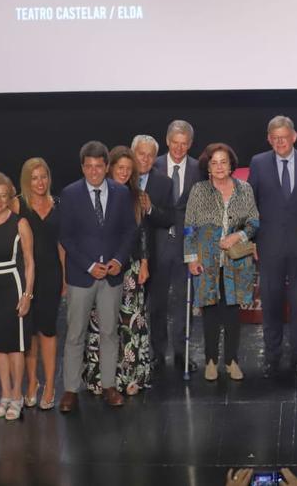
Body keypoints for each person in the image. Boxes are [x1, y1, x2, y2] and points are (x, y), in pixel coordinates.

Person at [58, 141, 137, 411]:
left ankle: (109, 386)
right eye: (88, 167)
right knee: (75, 334)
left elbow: (129, 231)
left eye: (98, 166)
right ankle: (70, 390)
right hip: (82, 275)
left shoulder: (121, 193)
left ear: (106, 166)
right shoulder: (69, 194)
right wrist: (90, 265)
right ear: (82, 167)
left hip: (112, 275)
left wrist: (117, 260)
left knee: (109, 332)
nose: (93, 171)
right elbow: (66, 236)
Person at [247, 115, 297, 378]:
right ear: (269, 139)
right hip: (269, 246)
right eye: (275, 138)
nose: (280, 142)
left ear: (294, 136)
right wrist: (251, 240)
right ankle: (272, 356)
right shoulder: (258, 163)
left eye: (284, 137)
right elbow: (250, 205)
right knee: (272, 303)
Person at [185, 143, 260, 381]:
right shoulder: (199, 190)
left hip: (236, 261)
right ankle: (210, 361)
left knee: (232, 313)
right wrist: (191, 258)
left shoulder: (244, 189)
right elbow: (189, 227)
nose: (219, 167)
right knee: (210, 313)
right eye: (214, 162)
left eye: (223, 162)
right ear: (208, 166)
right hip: (206, 262)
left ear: (231, 165)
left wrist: (238, 235)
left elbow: (255, 222)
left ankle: (231, 361)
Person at [84, 147, 154, 394]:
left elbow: (142, 232)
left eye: (128, 169)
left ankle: (130, 377)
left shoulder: (137, 196)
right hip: (102, 268)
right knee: (103, 324)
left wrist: (144, 263)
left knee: (129, 323)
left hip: (130, 268)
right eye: (120, 168)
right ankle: (101, 378)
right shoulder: (95, 194)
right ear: (110, 168)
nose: (124, 173)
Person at [0, 173, 36, 421]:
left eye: (3, 196)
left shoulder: (20, 223)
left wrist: (27, 295)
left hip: (12, 285)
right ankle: (4, 394)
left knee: (15, 346)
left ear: (10, 196)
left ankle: (17, 395)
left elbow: (30, 262)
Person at [14, 158, 63, 410]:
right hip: (25, 277)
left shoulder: (58, 204)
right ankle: (31, 383)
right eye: (34, 178)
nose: (40, 182)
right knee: (29, 333)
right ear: (26, 180)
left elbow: (61, 245)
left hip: (53, 275)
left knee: (48, 330)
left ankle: (51, 386)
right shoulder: (17, 204)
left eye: (43, 176)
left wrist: (64, 278)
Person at [153, 120, 201, 373]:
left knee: (184, 302)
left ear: (190, 144)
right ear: (167, 140)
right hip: (158, 244)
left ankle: (182, 353)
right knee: (157, 303)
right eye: (175, 142)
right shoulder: (153, 165)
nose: (179, 148)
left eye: (184, 144)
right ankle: (157, 353)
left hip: (187, 246)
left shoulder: (198, 169)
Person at [132, 134, 178, 375]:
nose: (146, 158)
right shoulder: (120, 176)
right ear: (133, 153)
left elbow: (170, 217)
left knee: (158, 308)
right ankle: (130, 354)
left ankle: (158, 355)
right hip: (127, 257)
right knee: (129, 309)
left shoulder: (164, 183)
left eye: (150, 154)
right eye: (141, 153)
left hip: (156, 255)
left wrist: (150, 208)